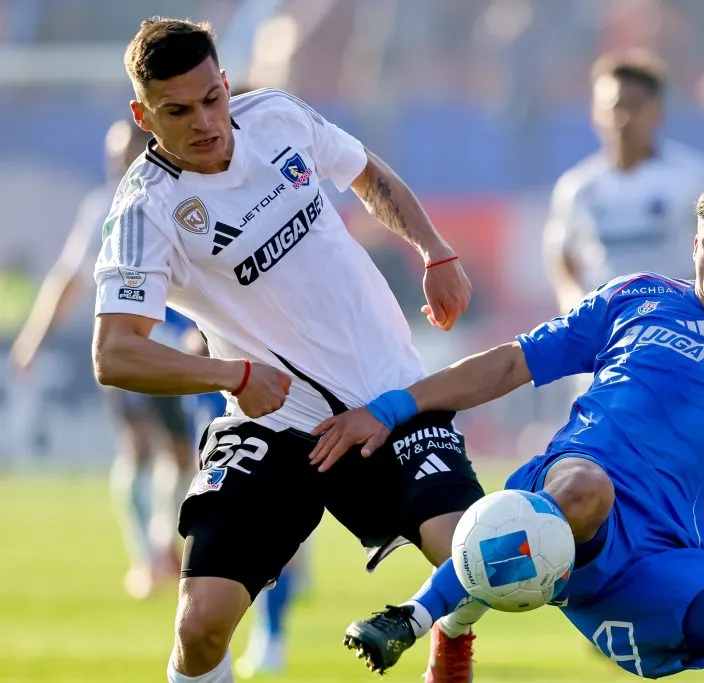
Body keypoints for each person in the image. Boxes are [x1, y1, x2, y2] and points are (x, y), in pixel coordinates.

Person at [314, 173, 704, 682]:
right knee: (584, 487)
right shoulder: (635, 297)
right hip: (572, 499)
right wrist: (393, 408)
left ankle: (456, 615)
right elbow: (511, 363)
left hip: (666, 557)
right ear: (694, 246)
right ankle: (418, 617)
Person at [92, 18, 485, 683]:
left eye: (212, 97)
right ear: (143, 114)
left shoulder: (274, 116)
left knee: (477, 555)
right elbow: (115, 354)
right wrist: (232, 373)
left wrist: (435, 250)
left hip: (386, 396)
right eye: (178, 111)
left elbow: (366, 176)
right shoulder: (144, 210)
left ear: (224, 80)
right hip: (272, 425)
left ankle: (450, 630)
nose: (206, 122)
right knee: (200, 624)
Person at [9, 119, 195, 600]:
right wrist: (34, 338)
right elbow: (68, 278)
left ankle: (160, 543)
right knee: (136, 446)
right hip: (126, 346)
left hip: (174, 348)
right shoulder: (103, 209)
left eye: (125, 153)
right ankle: (146, 557)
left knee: (180, 454)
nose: (117, 164)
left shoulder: (172, 195)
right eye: (112, 156)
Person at [544, 49, 704, 315]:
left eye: (635, 105)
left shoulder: (694, 177)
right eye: (614, 107)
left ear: (658, 112)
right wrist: (573, 301)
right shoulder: (578, 186)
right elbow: (562, 253)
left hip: (678, 322)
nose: (623, 118)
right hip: (608, 328)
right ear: (595, 114)